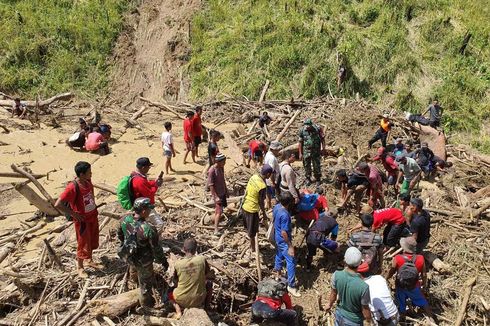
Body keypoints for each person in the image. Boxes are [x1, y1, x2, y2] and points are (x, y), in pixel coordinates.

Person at [117, 197, 168, 308]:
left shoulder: (124, 220)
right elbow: (156, 249)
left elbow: (120, 235)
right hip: (144, 262)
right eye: (149, 209)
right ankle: (146, 305)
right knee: (145, 286)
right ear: (144, 211)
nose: (150, 212)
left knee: (133, 268)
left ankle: (133, 280)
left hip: (129, 256)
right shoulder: (148, 229)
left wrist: (124, 244)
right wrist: (163, 261)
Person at [55, 161, 100, 278]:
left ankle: (89, 260)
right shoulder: (72, 187)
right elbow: (58, 204)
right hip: (83, 221)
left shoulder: (87, 182)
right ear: (81, 174)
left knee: (92, 240)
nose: (91, 174)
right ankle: (80, 267)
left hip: (92, 216)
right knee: (83, 242)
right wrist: (73, 214)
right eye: (89, 172)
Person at [386, 237, 432, 320]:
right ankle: (431, 317)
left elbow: (391, 272)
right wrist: (424, 286)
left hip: (401, 285)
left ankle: (403, 318)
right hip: (414, 285)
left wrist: (386, 278)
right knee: (422, 300)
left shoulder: (397, 258)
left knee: (401, 302)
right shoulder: (420, 258)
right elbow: (424, 274)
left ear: (404, 247)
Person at [325, 247, 372, 325]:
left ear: (345, 260)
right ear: (360, 263)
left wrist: (329, 304)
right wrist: (369, 320)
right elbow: (365, 309)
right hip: (353, 321)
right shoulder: (364, 287)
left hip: (339, 315)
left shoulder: (336, 275)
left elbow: (333, 294)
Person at [170, 237, 213, 319]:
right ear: (195, 249)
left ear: (183, 249)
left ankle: (178, 311)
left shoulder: (178, 264)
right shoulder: (202, 259)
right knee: (209, 284)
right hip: (199, 299)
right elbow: (208, 274)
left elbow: (175, 281)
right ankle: (207, 308)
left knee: (169, 292)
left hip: (181, 300)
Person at [273, 192, 300, 297]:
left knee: (279, 254)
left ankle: (278, 275)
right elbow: (284, 232)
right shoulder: (285, 214)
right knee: (291, 261)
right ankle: (291, 286)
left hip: (277, 237)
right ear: (289, 202)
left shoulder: (276, 207)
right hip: (283, 240)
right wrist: (290, 246)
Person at [242, 165, 273, 255]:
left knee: (250, 229)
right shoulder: (262, 186)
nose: (270, 176)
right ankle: (253, 250)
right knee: (252, 232)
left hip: (245, 206)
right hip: (252, 209)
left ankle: (253, 245)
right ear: (267, 174)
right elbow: (261, 201)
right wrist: (263, 212)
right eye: (270, 174)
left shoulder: (254, 177)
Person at [130, 157, 164, 229]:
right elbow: (149, 194)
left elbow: (147, 184)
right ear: (143, 167)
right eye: (148, 167)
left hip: (141, 207)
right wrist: (157, 185)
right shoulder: (139, 180)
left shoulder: (136, 175)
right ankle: (155, 239)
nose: (149, 168)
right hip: (144, 207)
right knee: (160, 224)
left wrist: (155, 182)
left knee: (145, 225)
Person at [298, 118, 325, 185]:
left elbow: (322, 139)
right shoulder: (302, 130)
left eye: (308, 125)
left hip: (316, 151)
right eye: (306, 125)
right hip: (306, 152)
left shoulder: (317, 129)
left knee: (316, 165)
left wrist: (323, 148)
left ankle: (318, 178)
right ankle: (308, 178)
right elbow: (300, 142)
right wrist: (300, 153)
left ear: (311, 124)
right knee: (306, 165)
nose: (307, 127)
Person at [207, 153, 228, 235]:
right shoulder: (212, 170)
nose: (225, 163)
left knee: (220, 210)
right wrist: (215, 197)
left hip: (222, 192)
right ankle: (216, 229)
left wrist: (226, 190)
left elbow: (223, 179)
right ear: (219, 161)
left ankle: (217, 223)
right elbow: (211, 185)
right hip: (217, 194)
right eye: (223, 162)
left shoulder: (221, 168)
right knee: (219, 211)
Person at [264, 141, 282, 209]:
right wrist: (273, 182)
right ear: (274, 149)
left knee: (268, 195)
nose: (278, 151)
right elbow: (271, 171)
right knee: (275, 197)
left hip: (268, 180)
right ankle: (275, 209)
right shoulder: (272, 158)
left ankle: (269, 208)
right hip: (273, 180)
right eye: (277, 150)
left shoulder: (267, 154)